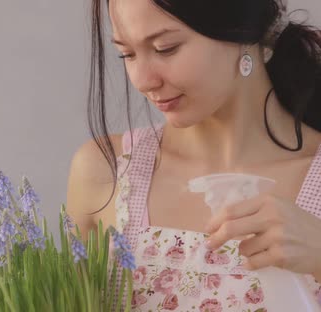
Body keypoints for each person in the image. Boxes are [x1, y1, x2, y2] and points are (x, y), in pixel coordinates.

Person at [66, 0, 321, 310]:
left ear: (241, 32)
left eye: (165, 48)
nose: (143, 80)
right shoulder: (105, 171)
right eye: (127, 53)